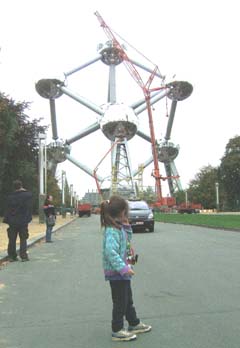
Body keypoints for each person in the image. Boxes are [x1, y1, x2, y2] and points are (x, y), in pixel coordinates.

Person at [100, 195, 152, 342]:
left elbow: (128, 238)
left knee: (127, 299)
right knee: (120, 301)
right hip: (117, 272)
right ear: (121, 212)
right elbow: (110, 252)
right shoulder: (111, 231)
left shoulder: (119, 227)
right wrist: (123, 268)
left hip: (122, 271)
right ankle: (117, 329)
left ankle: (133, 322)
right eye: (126, 213)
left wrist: (127, 225)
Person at [3, 179, 32, 262]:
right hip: (23, 221)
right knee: (23, 239)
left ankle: (12, 256)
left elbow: (7, 209)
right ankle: (23, 256)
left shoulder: (10, 197)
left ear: (14, 187)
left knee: (12, 239)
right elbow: (29, 204)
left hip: (12, 221)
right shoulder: (27, 195)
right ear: (21, 186)